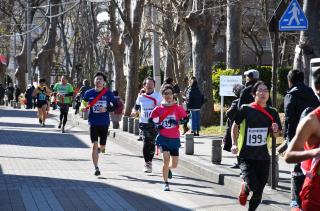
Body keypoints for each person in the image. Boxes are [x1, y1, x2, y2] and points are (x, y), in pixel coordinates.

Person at [231, 81, 282, 210]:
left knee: (259, 191)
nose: (263, 93)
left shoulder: (273, 112)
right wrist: (234, 143)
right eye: (260, 90)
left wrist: (276, 130)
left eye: (266, 90)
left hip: (263, 156)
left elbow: (276, 135)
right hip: (246, 156)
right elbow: (235, 126)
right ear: (254, 94)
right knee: (254, 185)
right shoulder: (246, 109)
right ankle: (246, 187)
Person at [277, 69, 319, 209]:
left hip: (297, 135)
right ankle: (297, 200)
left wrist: (288, 138)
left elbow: (288, 119)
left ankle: (295, 201)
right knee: (304, 167)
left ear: (290, 81)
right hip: (311, 137)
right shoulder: (311, 96)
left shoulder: (291, 95)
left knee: (298, 169)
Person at [149, 85, 188, 191]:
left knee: (174, 165)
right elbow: (150, 120)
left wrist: (177, 122)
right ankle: (166, 183)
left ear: (173, 95)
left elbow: (185, 119)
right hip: (163, 138)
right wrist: (157, 125)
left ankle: (169, 169)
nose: (168, 96)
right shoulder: (158, 109)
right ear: (162, 95)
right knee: (166, 160)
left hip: (174, 138)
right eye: (165, 94)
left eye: (170, 93)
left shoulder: (177, 108)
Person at [81, 72, 117, 176]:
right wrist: (83, 107)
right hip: (93, 122)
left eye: (100, 79)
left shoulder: (108, 93)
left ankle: (100, 149)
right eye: (97, 79)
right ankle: (96, 167)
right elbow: (83, 102)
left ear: (104, 82)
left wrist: (106, 108)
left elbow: (115, 105)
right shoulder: (89, 93)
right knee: (94, 145)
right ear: (94, 81)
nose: (98, 81)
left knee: (102, 146)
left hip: (104, 123)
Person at [132, 77, 162, 173]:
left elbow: (163, 108)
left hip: (154, 123)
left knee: (152, 143)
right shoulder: (141, 96)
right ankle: (147, 163)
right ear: (144, 86)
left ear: (154, 85)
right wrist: (134, 111)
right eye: (147, 84)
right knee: (146, 141)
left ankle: (150, 162)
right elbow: (136, 106)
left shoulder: (158, 96)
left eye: (151, 84)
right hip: (144, 123)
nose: (149, 86)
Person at [223, 84, 245, 169]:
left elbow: (229, 113)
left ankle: (239, 162)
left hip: (236, 126)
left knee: (237, 144)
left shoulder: (236, 102)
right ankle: (241, 162)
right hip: (244, 126)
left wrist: (227, 111)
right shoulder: (248, 101)